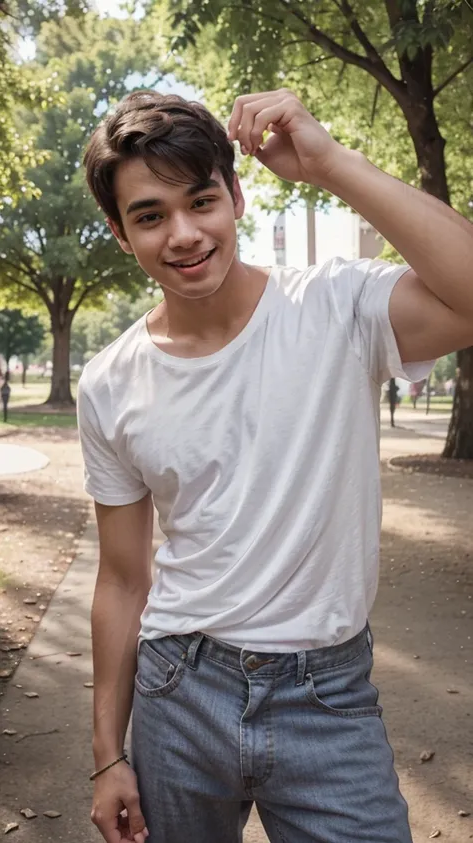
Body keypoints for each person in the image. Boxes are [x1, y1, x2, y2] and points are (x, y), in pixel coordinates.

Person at [77, 88, 473, 843]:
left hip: (327, 697)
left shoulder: (338, 307)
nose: (185, 234)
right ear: (120, 234)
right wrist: (107, 757)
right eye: (151, 215)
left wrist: (329, 164)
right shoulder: (109, 383)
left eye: (202, 200)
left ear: (236, 194)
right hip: (178, 691)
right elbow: (124, 578)